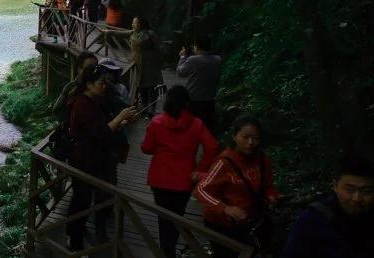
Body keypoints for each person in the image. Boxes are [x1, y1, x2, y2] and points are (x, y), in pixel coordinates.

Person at [66, 64, 138, 250]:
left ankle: (81, 235)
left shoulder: (94, 101)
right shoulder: (82, 104)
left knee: (90, 198)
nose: (104, 86)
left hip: (95, 158)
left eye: (105, 83)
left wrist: (118, 123)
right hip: (84, 160)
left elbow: (102, 128)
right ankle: (74, 242)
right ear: (89, 84)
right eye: (101, 83)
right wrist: (118, 118)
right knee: (81, 201)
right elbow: (100, 131)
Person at [141, 86, 218, 258]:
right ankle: (170, 249)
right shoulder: (196, 123)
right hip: (185, 178)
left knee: (164, 218)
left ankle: (166, 251)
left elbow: (146, 148)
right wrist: (200, 169)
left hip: (160, 179)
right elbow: (212, 146)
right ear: (186, 103)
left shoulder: (157, 122)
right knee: (177, 217)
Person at [195, 115, 279, 257]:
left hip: (251, 222)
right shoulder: (225, 162)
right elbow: (201, 189)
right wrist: (225, 208)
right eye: (245, 137)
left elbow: (268, 186)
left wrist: (272, 196)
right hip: (222, 224)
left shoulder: (263, 160)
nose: (251, 142)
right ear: (234, 136)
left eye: (255, 138)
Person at [282, 155, 374, 258]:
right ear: (335, 186)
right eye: (350, 190)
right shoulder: (313, 220)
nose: (357, 198)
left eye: (366, 192)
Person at [106, 16, 163, 116]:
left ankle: (151, 109)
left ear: (141, 25)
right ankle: (144, 107)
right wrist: (106, 32)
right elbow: (119, 33)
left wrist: (159, 61)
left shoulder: (150, 34)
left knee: (151, 88)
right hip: (139, 66)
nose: (132, 25)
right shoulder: (133, 33)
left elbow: (158, 48)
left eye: (134, 23)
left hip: (150, 66)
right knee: (142, 87)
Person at [177, 35, 222, 134]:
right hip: (210, 99)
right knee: (207, 128)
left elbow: (181, 72)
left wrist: (183, 56)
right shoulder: (218, 59)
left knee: (190, 129)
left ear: (197, 46)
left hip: (194, 100)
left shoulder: (193, 60)